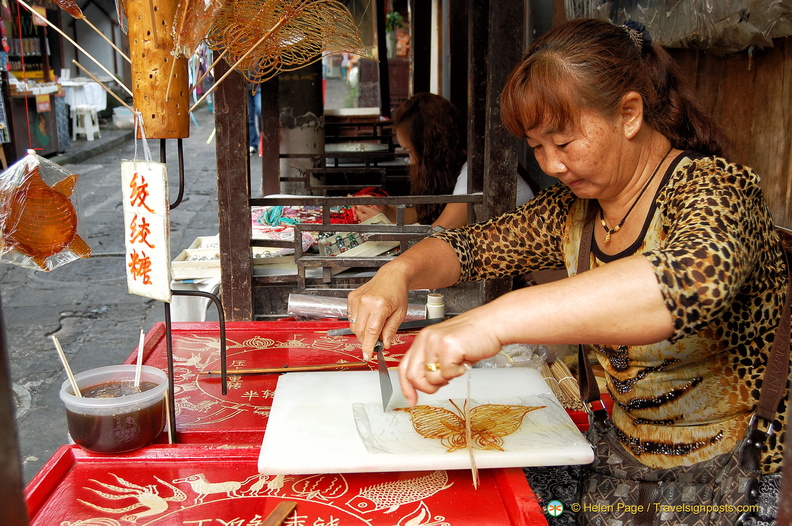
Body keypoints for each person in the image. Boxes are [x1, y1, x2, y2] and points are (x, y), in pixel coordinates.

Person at [348, 18, 786, 522]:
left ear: (628, 113)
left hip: (737, 480)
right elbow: (468, 247)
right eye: (537, 147)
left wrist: (491, 322)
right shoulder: (575, 207)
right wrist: (397, 272)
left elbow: (687, 281)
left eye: (564, 141)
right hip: (622, 466)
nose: (551, 164)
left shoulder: (720, 189)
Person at [352, 93, 534, 229]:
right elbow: (426, 213)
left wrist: (385, 228)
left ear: (430, 149)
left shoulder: (476, 172)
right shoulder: (462, 165)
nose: (412, 161)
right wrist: (386, 211)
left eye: (411, 151)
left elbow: (438, 234)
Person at [247, 82, 262, 155]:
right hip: (246, 88)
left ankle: (262, 141)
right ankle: (253, 143)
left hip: (258, 86)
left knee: (260, 112)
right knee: (249, 117)